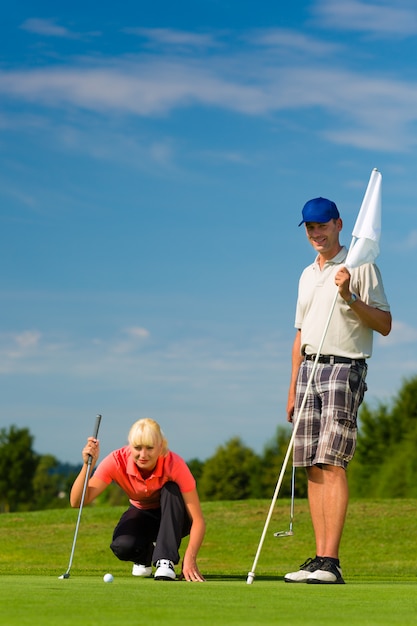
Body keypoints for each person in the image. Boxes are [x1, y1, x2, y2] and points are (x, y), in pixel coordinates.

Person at [284, 197, 391, 585]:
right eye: (310, 228)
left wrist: (350, 297)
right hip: (309, 371)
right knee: (312, 464)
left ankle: (332, 561)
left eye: (322, 226)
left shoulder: (360, 266)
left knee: (332, 461)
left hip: (344, 368)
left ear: (339, 224)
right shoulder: (305, 274)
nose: (316, 233)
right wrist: (293, 386)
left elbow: (384, 323)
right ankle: (318, 557)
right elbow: (300, 334)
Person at [70, 417, 206, 582]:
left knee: (172, 489)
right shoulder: (116, 460)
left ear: (161, 446)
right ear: (129, 445)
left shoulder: (174, 464)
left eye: (149, 448)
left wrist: (190, 559)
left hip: (176, 518)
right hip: (142, 513)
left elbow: (198, 520)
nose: (143, 455)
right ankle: (145, 555)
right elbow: (77, 502)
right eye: (137, 448)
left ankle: (165, 560)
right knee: (122, 546)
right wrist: (88, 465)